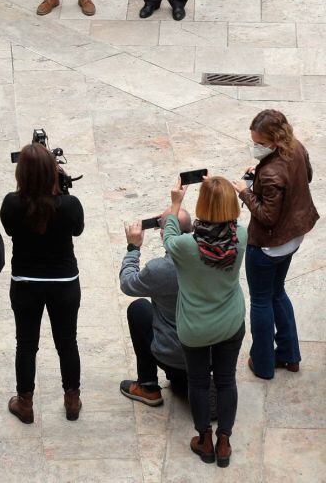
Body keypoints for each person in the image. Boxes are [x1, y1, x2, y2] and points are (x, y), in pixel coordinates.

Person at [163, 177, 246, 468]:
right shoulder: (241, 237)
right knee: (226, 380)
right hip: (230, 321)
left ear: (202, 208)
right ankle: (224, 443)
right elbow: (233, 221)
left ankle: (205, 440)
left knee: (198, 382)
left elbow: (168, 234)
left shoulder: (186, 247)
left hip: (195, 327)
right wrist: (221, 190)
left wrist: (176, 202)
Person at [0, 143, 84, 424]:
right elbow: (78, 229)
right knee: (67, 342)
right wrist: (63, 189)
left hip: (25, 282)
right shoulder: (69, 205)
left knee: (26, 344)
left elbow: (10, 229)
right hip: (64, 282)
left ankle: (25, 402)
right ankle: (72, 400)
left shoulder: (12, 204)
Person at [233, 110, 318, 379]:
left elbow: (267, 215)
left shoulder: (270, 173)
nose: (255, 146)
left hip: (269, 245)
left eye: (258, 142)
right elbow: (308, 175)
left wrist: (244, 191)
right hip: (293, 237)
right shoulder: (296, 148)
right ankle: (289, 355)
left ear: (273, 140)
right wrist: (257, 173)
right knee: (277, 292)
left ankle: (263, 363)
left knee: (260, 301)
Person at [119, 211, 191, 406]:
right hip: (209, 353)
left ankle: (148, 386)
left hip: (173, 355)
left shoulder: (161, 269)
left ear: (163, 234)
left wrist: (133, 247)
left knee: (139, 308)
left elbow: (127, 283)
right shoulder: (212, 256)